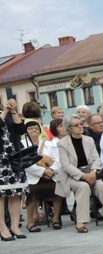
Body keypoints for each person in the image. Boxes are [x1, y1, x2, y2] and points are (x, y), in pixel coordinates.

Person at [57, 116, 103, 233]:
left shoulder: (89, 140)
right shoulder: (62, 143)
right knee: (83, 186)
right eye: (76, 125)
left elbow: (97, 159)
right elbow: (66, 165)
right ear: (69, 128)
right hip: (72, 176)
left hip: (90, 173)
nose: (80, 127)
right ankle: (80, 222)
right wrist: (83, 177)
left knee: (101, 185)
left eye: (81, 124)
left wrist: (92, 173)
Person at [24, 120, 62, 231]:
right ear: (25, 132)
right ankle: (30, 222)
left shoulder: (48, 144)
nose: (34, 130)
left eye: (36, 128)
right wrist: (43, 172)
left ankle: (56, 219)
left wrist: (51, 170)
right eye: (30, 128)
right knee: (31, 191)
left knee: (57, 187)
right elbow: (26, 164)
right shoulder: (22, 145)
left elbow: (57, 160)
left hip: (51, 175)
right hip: (34, 177)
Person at [0, 99, 28, 241]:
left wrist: (13, 111)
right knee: (1, 195)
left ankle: (15, 226)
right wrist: (4, 112)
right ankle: (3, 227)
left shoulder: (9, 114)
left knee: (16, 193)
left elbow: (21, 131)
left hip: (14, 158)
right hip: (1, 160)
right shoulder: (2, 114)